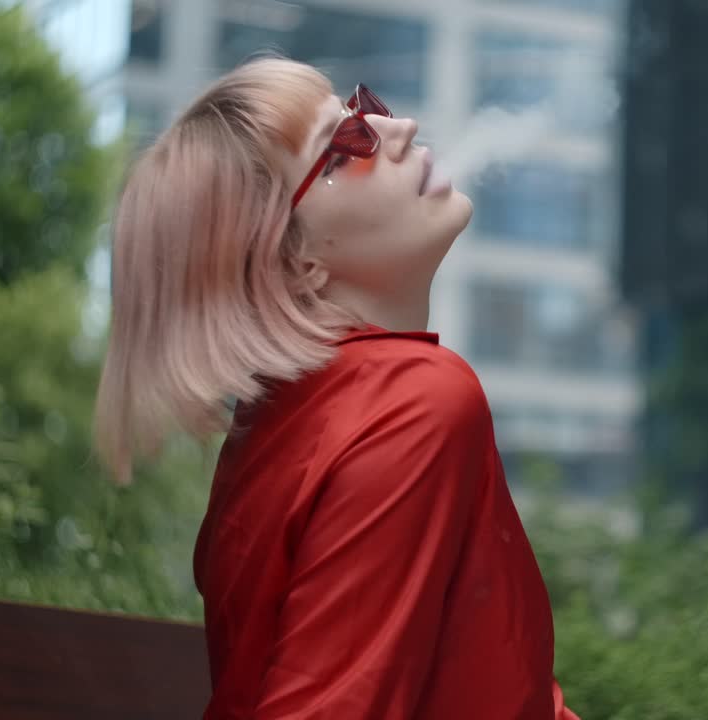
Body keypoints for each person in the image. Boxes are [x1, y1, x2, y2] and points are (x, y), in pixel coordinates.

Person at [94, 56, 580, 720]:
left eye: (362, 108)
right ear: (294, 261)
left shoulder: (279, 427)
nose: (397, 127)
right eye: (345, 147)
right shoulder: (412, 404)